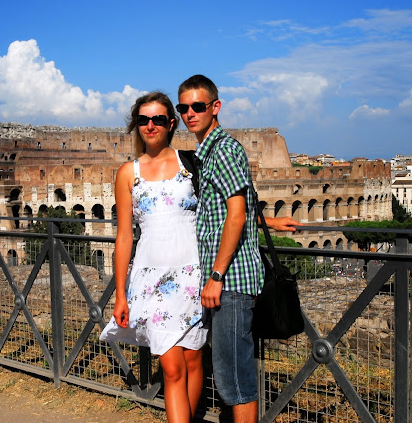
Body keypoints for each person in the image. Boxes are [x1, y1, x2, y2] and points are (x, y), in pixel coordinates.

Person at [176, 75, 302, 422]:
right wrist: (268, 222)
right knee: (229, 373)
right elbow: (229, 211)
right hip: (224, 282)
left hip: (230, 282)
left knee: (234, 378)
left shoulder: (225, 150)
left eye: (197, 106)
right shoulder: (208, 153)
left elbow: (235, 213)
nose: (190, 114)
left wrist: (216, 276)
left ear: (215, 107)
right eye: (183, 108)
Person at [100, 92, 207, 422]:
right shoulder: (127, 173)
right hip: (152, 280)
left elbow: (222, 211)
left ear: (171, 123)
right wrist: (120, 294)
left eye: (158, 119)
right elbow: (123, 237)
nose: (150, 125)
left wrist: (268, 222)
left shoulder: (191, 164)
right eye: (143, 119)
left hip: (193, 275)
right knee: (172, 367)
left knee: (193, 361)